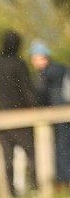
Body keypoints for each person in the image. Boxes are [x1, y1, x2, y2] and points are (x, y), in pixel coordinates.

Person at [0, 31, 39, 198]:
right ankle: (36, 188)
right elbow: (27, 91)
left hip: (0, 120)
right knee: (32, 154)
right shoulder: (18, 65)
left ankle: (10, 192)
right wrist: (35, 108)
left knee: (7, 158)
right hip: (21, 118)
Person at [30, 40, 70, 187]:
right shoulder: (62, 69)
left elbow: (41, 95)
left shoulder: (46, 73)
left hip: (57, 113)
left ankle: (63, 180)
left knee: (60, 147)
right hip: (66, 110)